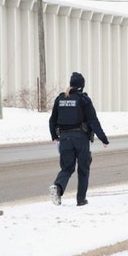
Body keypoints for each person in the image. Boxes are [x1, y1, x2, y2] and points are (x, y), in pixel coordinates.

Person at [48, 72, 109, 206]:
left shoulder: (60, 99)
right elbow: (93, 121)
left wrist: (54, 136)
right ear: (82, 85)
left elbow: (52, 120)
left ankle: (57, 187)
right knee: (83, 169)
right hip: (80, 138)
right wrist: (103, 139)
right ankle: (81, 200)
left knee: (67, 168)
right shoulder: (83, 100)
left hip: (64, 138)